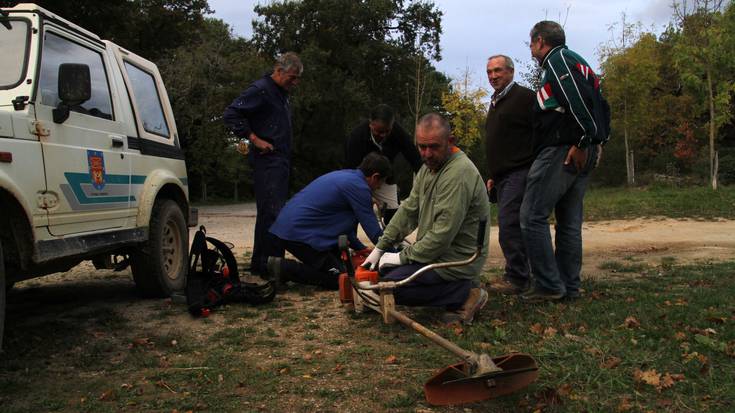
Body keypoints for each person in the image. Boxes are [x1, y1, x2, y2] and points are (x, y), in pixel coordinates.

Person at [362, 113, 490, 325]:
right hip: (436, 255)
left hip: (457, 261)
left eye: (433, 147)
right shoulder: (428, 168)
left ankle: (466, 291)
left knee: (391, 288)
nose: (427, 154)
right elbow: (408, 211)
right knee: (382, 275)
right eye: (422, 147)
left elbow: (441, 236)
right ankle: (456, 288)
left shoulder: (458, 174)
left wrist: (401, 258)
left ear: (450, 142)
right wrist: (380, 248)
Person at [520, 21, 610, 302]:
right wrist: (598, 140)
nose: (531, 48)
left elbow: (577, 100)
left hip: (564, 148)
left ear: (540, 41)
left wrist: (585, 140)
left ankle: (548, 284)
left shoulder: (557, 60)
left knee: (532, 215)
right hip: (581, 146)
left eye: (532, 42)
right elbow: (600, 104)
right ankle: (569, 286)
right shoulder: (579, 63)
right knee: (569, 221)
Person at [223, 52, 303, 275]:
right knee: (272, 212)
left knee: (273, 212)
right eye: (292, 77)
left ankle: (264, 263)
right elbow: (231, 113)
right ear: (278, 71)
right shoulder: (261, 89)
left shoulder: (281, 93)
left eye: (298, 78)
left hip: (282, 159)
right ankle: (269, 265)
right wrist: (255, 139)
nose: (295, 82)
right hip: (268, 160)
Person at [266, 153, 392, 290]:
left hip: (288, 228)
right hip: (300, 234)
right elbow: (374, 233)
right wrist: (397, 255)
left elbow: (344, 226)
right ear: (375, 177)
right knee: (341, 279)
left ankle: (285, 268)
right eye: (381, 183)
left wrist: (360, 248)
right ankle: (283, 268)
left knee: (342, 267)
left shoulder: (347, 176)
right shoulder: (359, 188)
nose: (379, 188)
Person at [484, 54, 536, 295]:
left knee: (509, 225)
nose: (493, 76)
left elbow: (540, 132)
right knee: (510, 225)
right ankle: (521, 273)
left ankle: (517, 278)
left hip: (520, 171)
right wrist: (493, 173)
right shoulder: (496, 101)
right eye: (490, 72)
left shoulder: (524, 98)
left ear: (511, 72)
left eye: (498, 71)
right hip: (503, 175)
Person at [345, 104, 422, 224]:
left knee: (393, 214)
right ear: (371, 123)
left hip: (385, 179)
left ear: (392, 125)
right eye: (379, 131)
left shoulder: (398, 132)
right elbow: (350, 168)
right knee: (354, 213)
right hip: (360, 180)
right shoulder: (357, 136)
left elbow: (414, 157)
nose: (383, 135)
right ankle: (351, 241)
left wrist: (424, 180)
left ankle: (392, 242)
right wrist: (363, 192)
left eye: (387, 131)